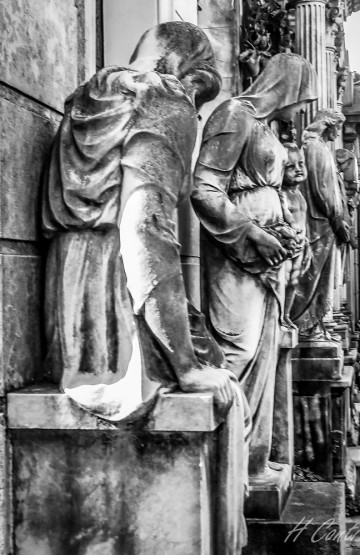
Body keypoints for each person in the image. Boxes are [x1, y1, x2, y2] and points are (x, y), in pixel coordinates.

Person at [42, 22, 249, 552]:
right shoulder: (163, 99)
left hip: (75, 280)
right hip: (119, 296)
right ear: (186, 68)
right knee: (219, 394)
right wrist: (183, 363)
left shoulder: (99, 93)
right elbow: (146, 229)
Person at [192, 53, 318, 477]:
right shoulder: (234, 114)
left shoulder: (265, 127)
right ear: (286, 86)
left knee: (265, 352)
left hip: (269, 256)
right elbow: (204, 189)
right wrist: (251, 234)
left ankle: (251, 463)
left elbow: (272, 189)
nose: (302, 109)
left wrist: (285, 227)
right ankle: (222, 468)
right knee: (238, 351)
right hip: (236, 253)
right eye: (303, 98)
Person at [291, 110, 350, 336]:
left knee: (320, 278)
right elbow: (322, 190)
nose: (339, 133)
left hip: (323, 222)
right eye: (338, 127)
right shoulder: (315, 148)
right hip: (319, 223)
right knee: (312, 276)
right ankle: (307, 327)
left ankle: (316, 324)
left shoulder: (320, 148)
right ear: (329, 125)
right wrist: (337, 221)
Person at [281, 143, 311, 328]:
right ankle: (280, 315)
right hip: (289, 244)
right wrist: (293, 230)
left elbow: (303, 220)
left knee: (294, 281)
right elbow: (285, 215)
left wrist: (306, 240)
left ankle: (286, 315)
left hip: (300, 244)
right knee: (284, 279)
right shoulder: (281, 193)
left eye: (301, 164)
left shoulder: (299, 194)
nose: (298, 169)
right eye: (290, 167)